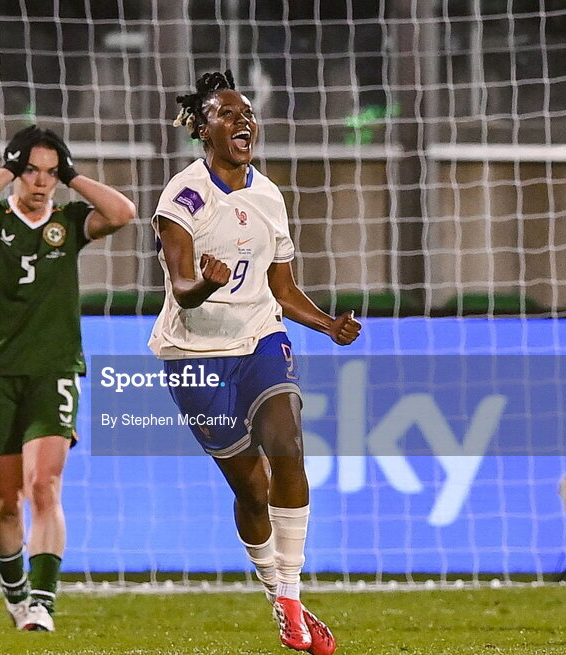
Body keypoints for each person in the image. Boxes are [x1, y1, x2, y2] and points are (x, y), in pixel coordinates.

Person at [150, 70, 360, 653]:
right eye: (227, 114)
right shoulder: (182, 198)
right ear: (202, 130)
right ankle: (279, 594)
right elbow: (183, 283)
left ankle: (291, 597)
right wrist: (202, 289)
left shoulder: (269, 196)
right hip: (195, 355)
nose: (243, 121)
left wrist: (326, 324)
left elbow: (283, 290)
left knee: (289, 446)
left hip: (260, 340)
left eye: (247, 113)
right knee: (252, 488)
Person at [0, 125, 135, 631]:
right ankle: (14, 590)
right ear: (14, 170)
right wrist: (7, 170)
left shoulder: (71, 221)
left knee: (45, 487)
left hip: (53, 370)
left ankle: (42, 603)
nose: (41, 183)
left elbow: (123, 213)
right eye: (32, 170)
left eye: (51, 173)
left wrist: (74, 176)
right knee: (5, 502)